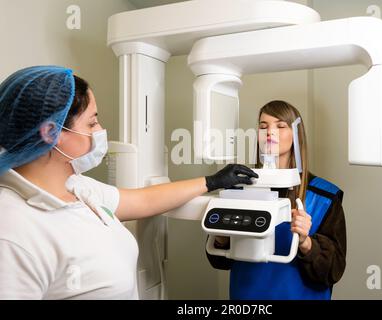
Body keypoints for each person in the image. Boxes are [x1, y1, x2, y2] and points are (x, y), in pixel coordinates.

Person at [0, 66, 258, 300]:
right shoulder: (12, 230)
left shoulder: (78, 187)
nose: (100, 130)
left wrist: (212, 181)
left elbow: (144, 200)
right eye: (92, 122)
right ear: (50, 132)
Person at [207, 100, 346, 300]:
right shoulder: (238, 189)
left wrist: (307, 243)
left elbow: (334, 270)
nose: (270, 132)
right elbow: (219, 262)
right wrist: (221, 237)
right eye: (263, 127)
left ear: (296, 135)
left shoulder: (324, 197)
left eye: (280, 126)